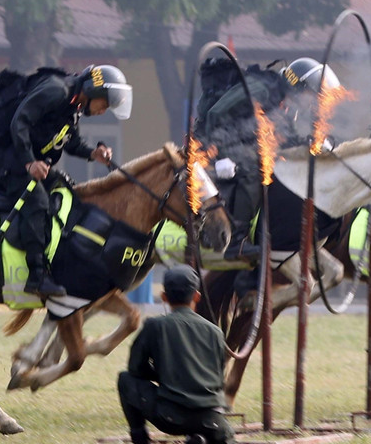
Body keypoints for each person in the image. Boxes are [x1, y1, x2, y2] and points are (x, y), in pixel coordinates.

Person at [0, 64, 132, 298]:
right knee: (38, 202)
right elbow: (19, 122)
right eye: (104, 104)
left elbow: (70, 142)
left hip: (26, 158)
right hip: (4, 154)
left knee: (67, 190)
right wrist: (29, 163)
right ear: (93, 90)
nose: (103, 111)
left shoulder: (74, 105)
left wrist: (93, 153)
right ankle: (36, 277)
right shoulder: (56, 91)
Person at [199, 57, 340, 264]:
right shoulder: (262, 89)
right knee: (255, 169)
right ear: (299, 86)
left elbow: (285, 142)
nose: (314, 103)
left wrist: (312, 145)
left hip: (240, 143)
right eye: (312, 96)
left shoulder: (285, 105)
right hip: (214, 142)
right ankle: (237, 239)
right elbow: (216, 114)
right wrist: (221, 156)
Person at [117, 265, 235, 444]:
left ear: (164, 297)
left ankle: (140, 438)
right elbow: (218, 377)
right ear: (197, 296)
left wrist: (165, 374)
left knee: (125, 379)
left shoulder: (155, 326)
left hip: (171, 418)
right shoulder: (215, 332)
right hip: (213, 421)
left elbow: (135, 368)